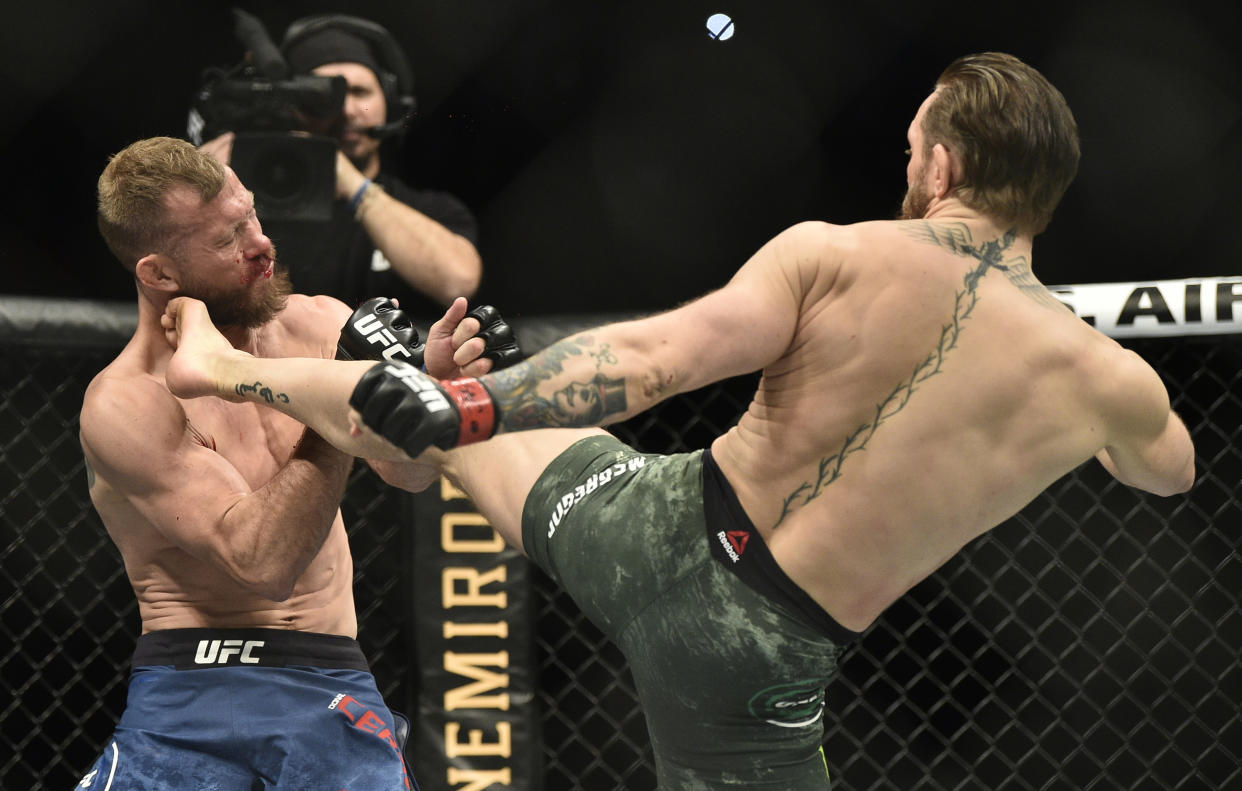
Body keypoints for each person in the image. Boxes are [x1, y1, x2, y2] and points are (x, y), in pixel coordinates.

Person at [159, 53, 1197, 789]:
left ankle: (297, 372)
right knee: (458, 427)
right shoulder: (1103, 377)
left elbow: (647, 361)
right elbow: (1168, 473)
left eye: (917, 145)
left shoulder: (835, 252)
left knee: (461, 423)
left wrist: (471, 399)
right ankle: (418, 401)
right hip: (767, 658)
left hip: (657, 531)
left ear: (943, 169)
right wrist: (1099, 403)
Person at [77, 135, 503, 790]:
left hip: (331, 677)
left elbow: (408, 474)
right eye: (227, 239)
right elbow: (262, 561)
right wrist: (347, 405)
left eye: (251, 215)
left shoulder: (319, 323)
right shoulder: (126, 402)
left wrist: (428, 402)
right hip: (192, 692)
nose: (261, 244)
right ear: (159, 274)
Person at [200, 13, 481, 316]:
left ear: (390, 103)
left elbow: (458, 283)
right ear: (295, 108)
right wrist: (197, 191)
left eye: (360, 92)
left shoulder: (432, 210)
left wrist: (354, 185)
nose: (346, 110)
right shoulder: (249, 211)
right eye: (323, 96)